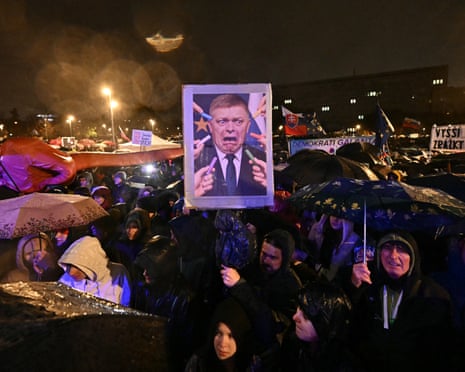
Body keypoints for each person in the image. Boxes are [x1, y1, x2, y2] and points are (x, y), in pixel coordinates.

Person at [347, 230, 457, 372]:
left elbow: (443, 351)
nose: (393, 255)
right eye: (387, 247)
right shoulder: (368, 287)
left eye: (401, 249)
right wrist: (354, 288)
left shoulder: (433, 296)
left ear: (413, 257)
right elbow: (352, 334)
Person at [220, 228, 302, 368]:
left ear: (285, 259)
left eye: (273, 257)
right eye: (264, 254)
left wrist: (240, 286)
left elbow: (271, 326)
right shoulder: (256, 268)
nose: (266, 260)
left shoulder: (291, 287)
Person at [132, 235, 200, 371]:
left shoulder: (185, 298)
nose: (145, 273)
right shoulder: (144, 289)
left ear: (163, 269)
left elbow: (185, 343)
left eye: (150, 269)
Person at [194, 94, 267, 197]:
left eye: (238, 121)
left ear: (248, 126)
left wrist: (270, 188)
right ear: (210, 126)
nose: (230, 128)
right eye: (222, 121)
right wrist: (191, 199)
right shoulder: (195, 163)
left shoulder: (263, 162)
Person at [280, 280, 356, 371]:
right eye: (299, 307)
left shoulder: (339, 366)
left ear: (326, 326)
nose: (294, 317)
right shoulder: (293, 339)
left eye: (306, 316)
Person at [184, 296, 260, 372]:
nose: (223, 343)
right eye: (219, 333)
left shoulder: (253, 366)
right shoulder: (199, 363)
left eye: (230, 336)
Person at [58, 235, 131, 306]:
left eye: (76, 266)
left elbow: (126, 304)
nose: (71, 272)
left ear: (90, 262)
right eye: (69, 265)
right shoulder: (66, 279)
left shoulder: (118, 273)